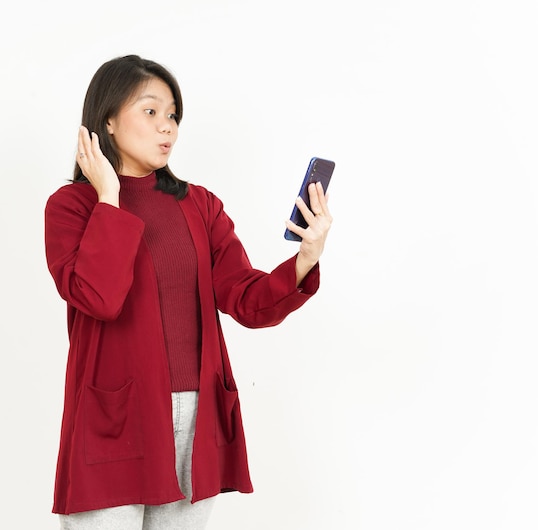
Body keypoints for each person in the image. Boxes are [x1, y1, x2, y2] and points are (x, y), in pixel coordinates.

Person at [44, 54, 332, 530]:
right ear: (109, 120)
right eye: (151, 111)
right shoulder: (71, 207)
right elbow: (99, 297)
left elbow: (246, 298)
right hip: (115, 420)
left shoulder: (199, 205)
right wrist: (110, 198)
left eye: (173, 115)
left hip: (195, 419)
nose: (168, 128)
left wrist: (306, 258)